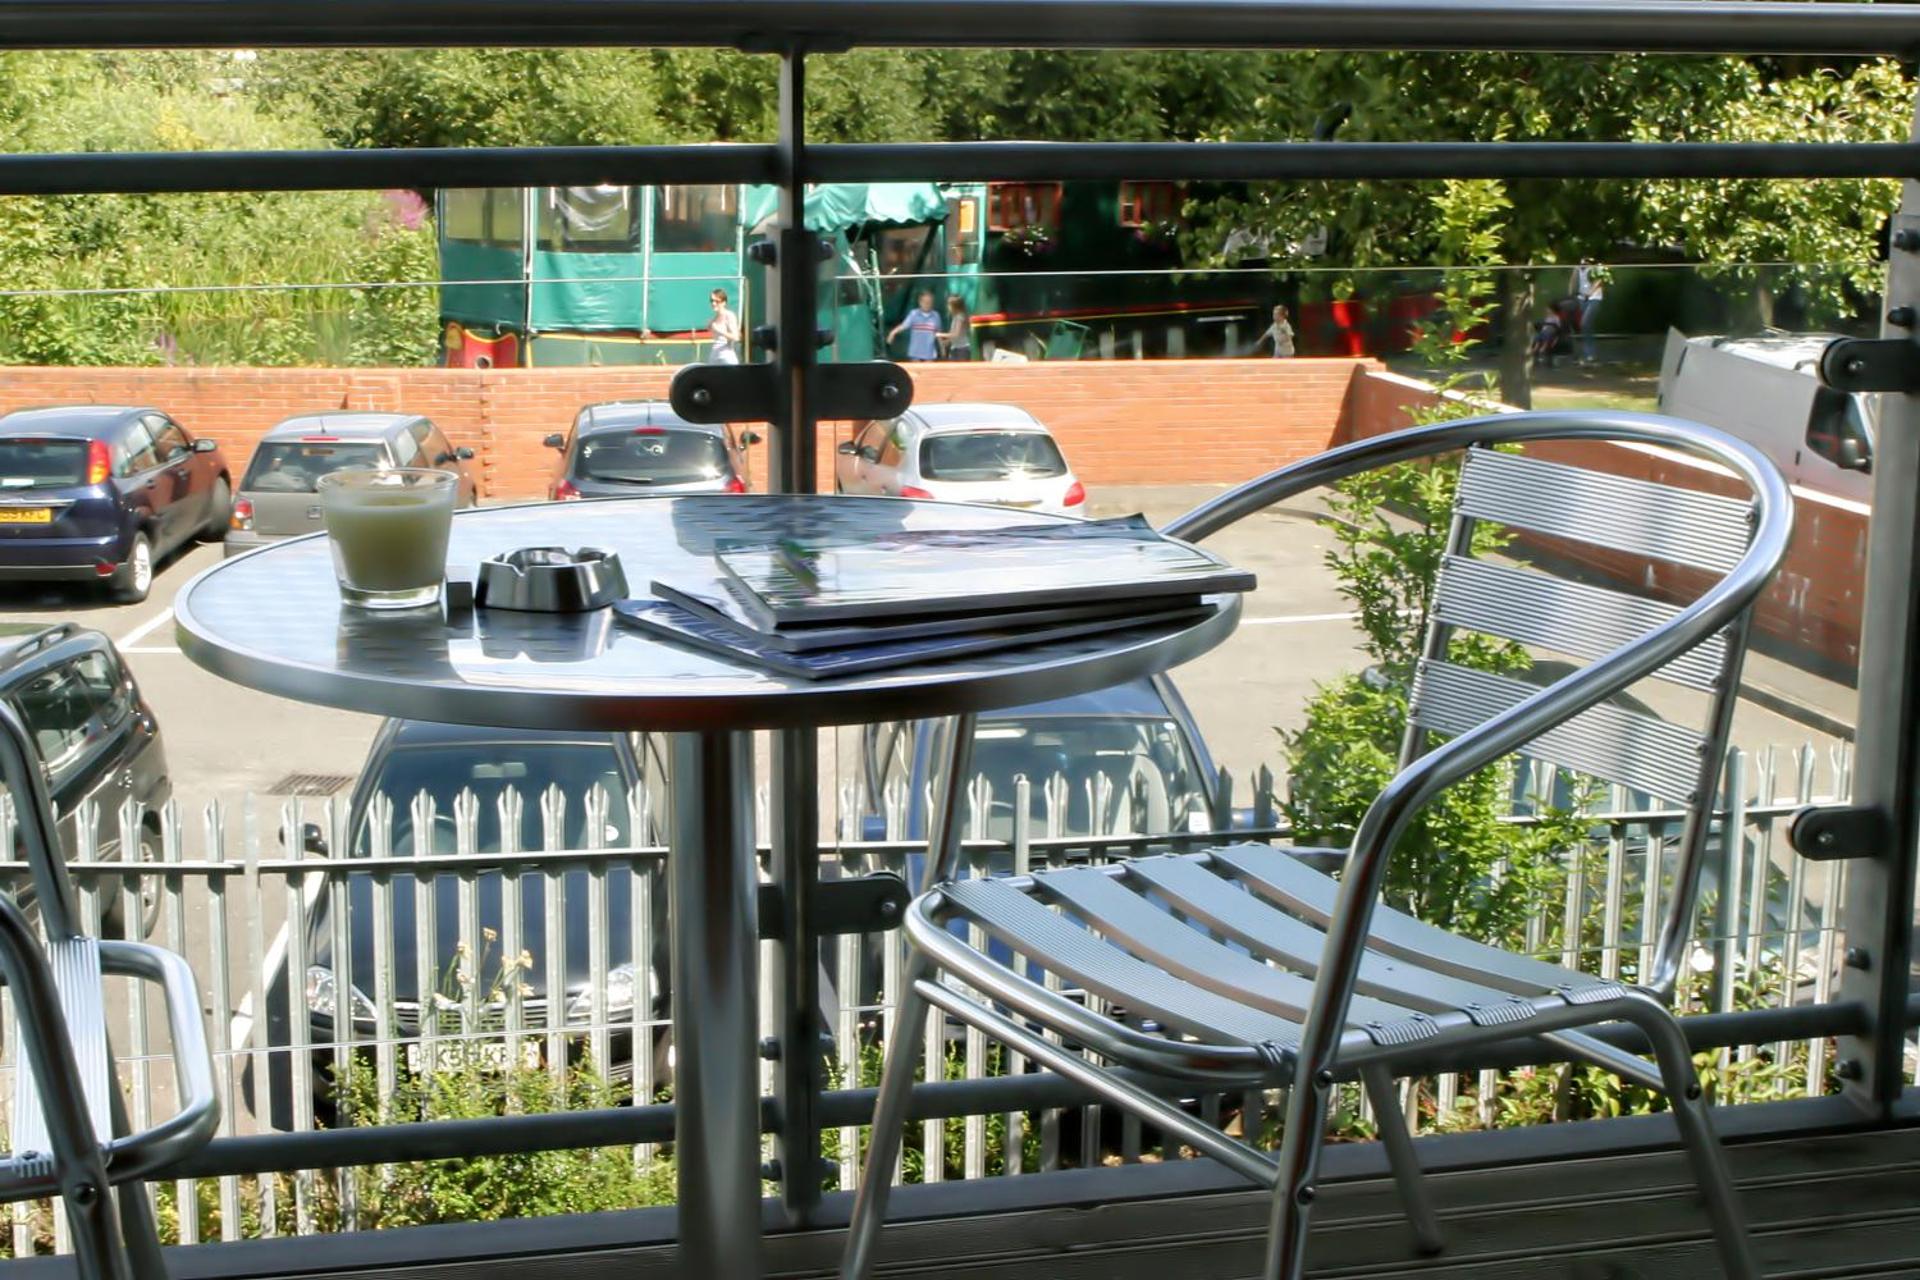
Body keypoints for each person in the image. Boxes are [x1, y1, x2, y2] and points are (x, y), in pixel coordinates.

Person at [888, 290, 943, 362]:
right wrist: (893, 333)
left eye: (929, 302)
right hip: (915, 353)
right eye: (925, 302)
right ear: (920, 302)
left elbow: (938, 334)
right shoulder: (914, 314)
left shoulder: (936, 316)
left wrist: (942, 349)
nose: (927, 304)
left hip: (930, 353)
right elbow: (904, 326)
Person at [1574, 260, 1606, 365]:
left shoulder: (1596, 266)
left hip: (1594, 298)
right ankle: (1589, 355)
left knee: (1584, 323)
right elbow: (1573, 279)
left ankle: (1589, 354)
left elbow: (1599, 280)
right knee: (1587, 327)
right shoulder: (1578, 267)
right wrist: (1570, 293)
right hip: (1581, 298)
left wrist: (1589, 293)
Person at [709, 288, 741, 365]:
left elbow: (736, 337)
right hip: (714, 356)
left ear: (724, 302)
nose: (713, 303)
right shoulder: (715, 318)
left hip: (726, 357)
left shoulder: (729, 315)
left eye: (717, 301)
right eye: (712, 301)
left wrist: (719, 330)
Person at [941, 295, 973, 362]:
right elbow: (953, 336)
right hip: (955, 348)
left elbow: (956, 334)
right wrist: (946, 342)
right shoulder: (955, 317)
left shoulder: (960, 317)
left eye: (949, 305)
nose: (948, 307)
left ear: (955, 306)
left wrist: (940, 334)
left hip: (962, 350)